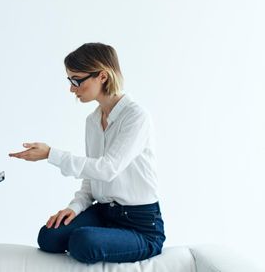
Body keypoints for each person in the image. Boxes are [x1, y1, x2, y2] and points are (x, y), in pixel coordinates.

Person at [9, 43, 165, 264]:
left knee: (82, 241)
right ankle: (100, 236)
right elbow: (92, 179)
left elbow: (108, 169)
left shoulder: (136, 117)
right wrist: (74, 207)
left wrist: (50, 154)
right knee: (49, 237)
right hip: (103, 213)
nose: (72, 88)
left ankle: (130, 242)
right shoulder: (92, 121)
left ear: (102, 76)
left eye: (77, 80)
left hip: (140, 225)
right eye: (70, 81)